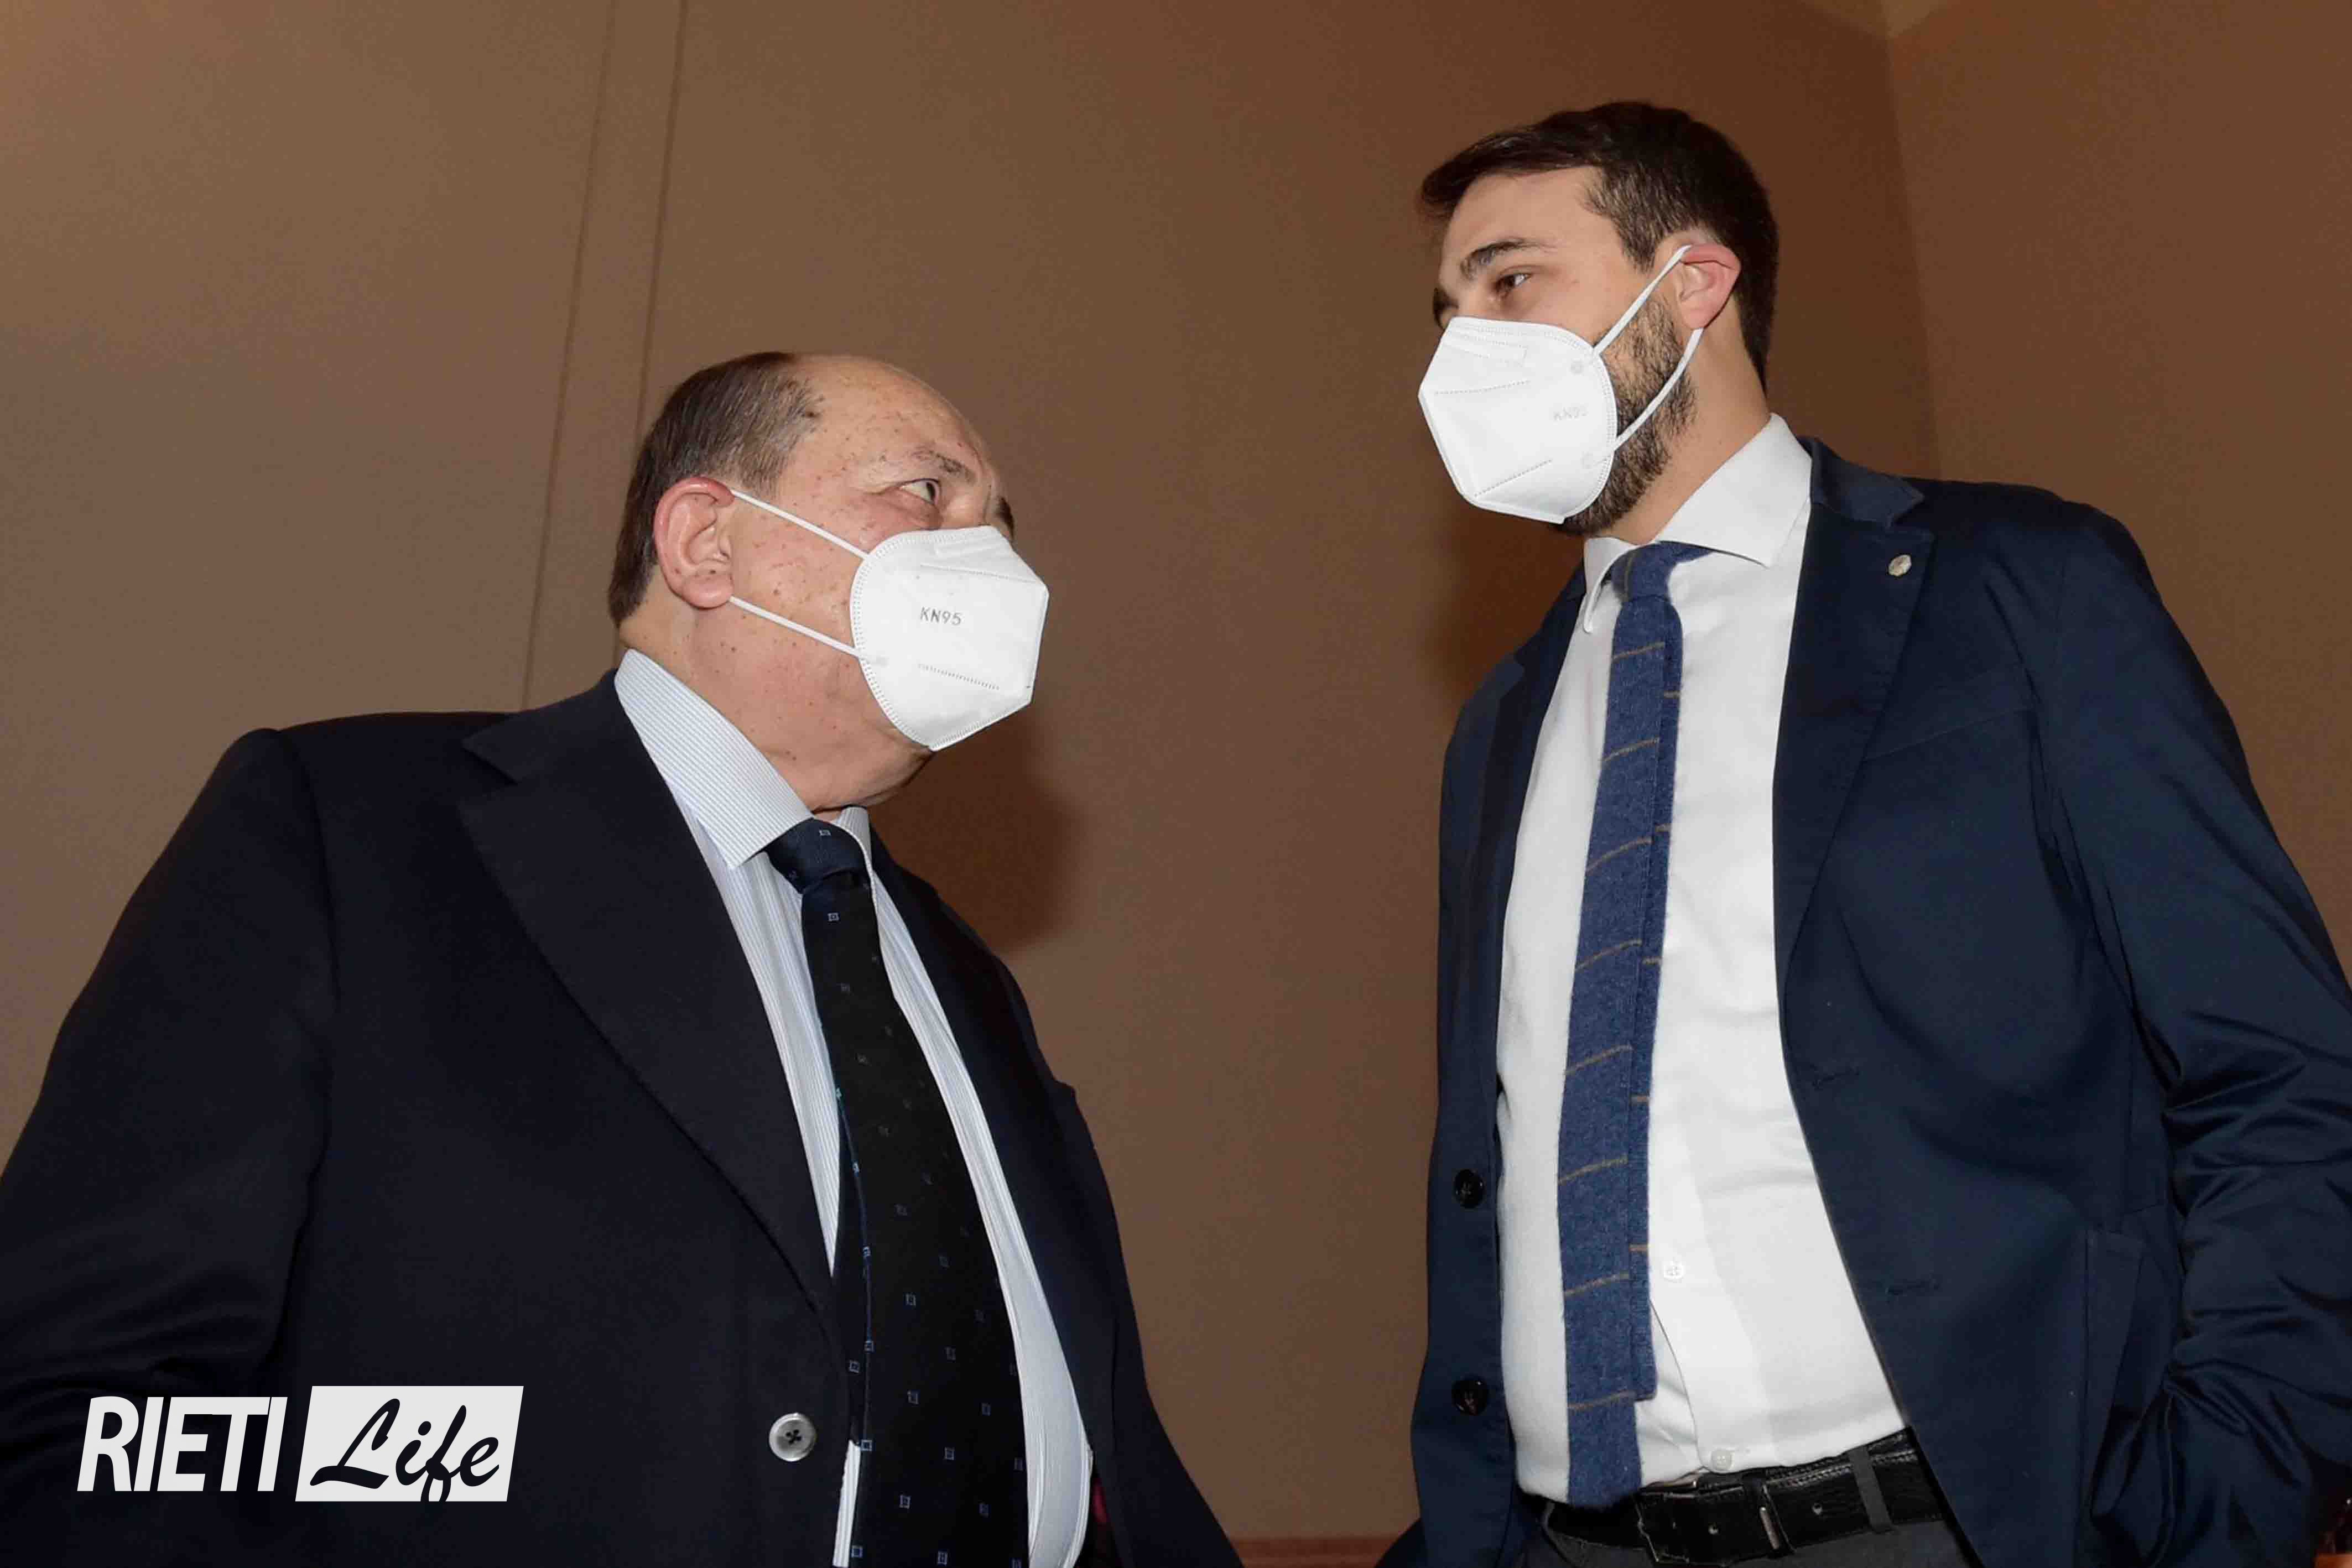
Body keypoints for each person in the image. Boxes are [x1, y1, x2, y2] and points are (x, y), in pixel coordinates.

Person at [0, 352, 1240, 1568]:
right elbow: (88, 1413)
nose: (996, 562)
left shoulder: (964, 976)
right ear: (706, 542)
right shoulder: (352, 833)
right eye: (927, 492)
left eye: (1002, 526)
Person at [1383, 103, 2352, 1568]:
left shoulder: (2015, 589)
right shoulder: (1504, 719)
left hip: (1960, 1525)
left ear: (1692, 285)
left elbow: (2273, 1072)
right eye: (1444, 312)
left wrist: (2225, 1490)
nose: (1463, 348)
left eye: (1509, 281)